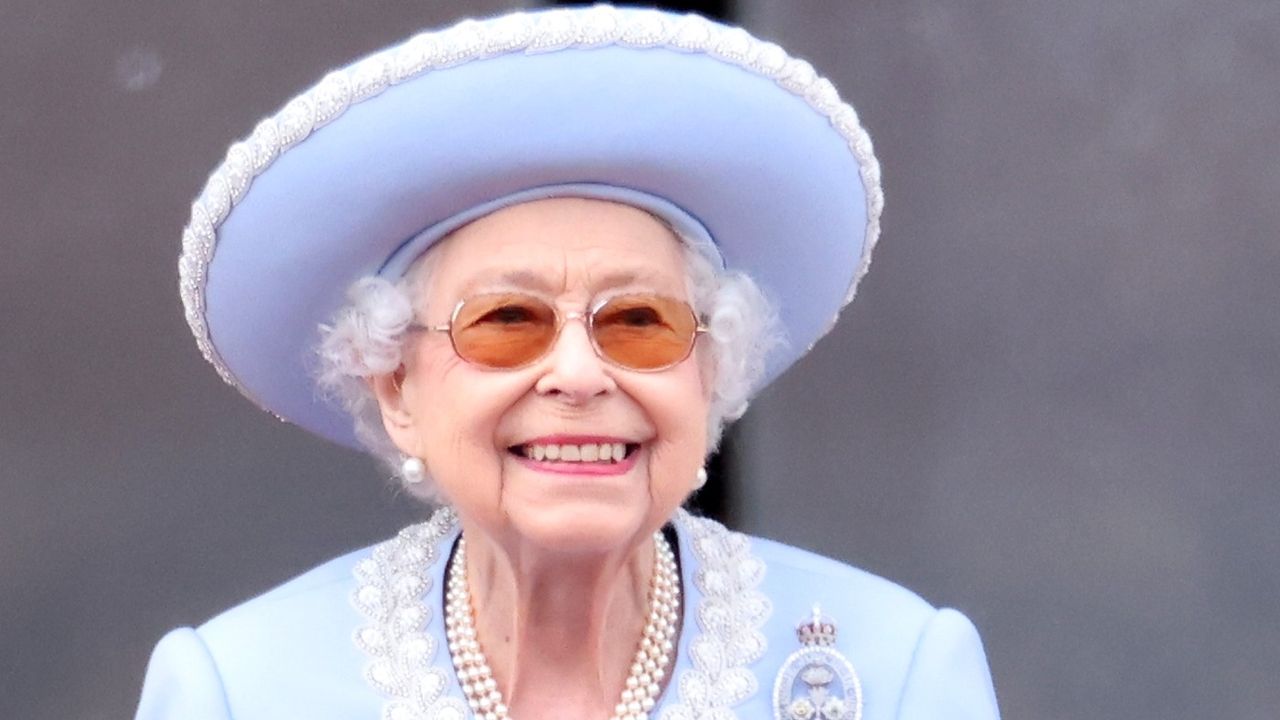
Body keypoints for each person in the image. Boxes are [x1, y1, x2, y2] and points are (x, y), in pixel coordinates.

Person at [138, 5, 1000, 719]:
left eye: (639, 322)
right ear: (397, 385)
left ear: (709, 375)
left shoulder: (895, 674)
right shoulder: (241, 690)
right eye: (508, 320)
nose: (581, 376)